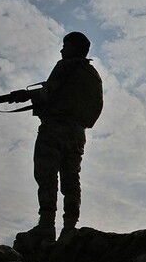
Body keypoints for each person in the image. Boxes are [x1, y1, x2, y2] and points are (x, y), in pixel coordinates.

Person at [20, 32, 103, 243]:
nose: (61, 50)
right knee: (71, 179)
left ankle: (46, 226)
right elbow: (96, 106)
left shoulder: (65, 66)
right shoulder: (93, 74)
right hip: (77, 133)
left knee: (46, 175)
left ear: (74, 48)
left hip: (54, 129)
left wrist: (28, 96)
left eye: (65, 46)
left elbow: (48, 93)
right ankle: (69, 228)